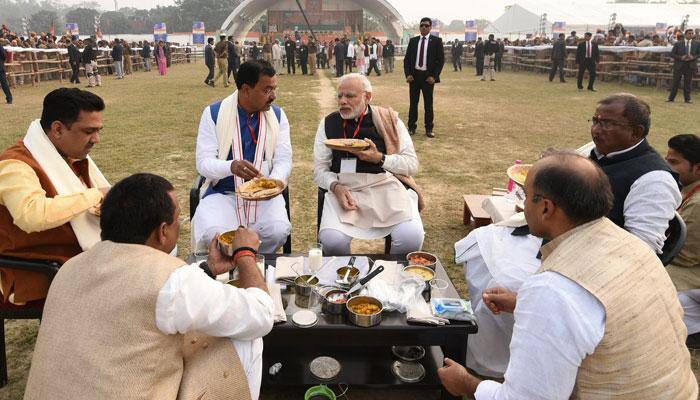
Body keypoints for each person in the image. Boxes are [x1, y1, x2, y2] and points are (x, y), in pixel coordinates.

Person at [456, 93, 682, 378]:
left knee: (502, 282)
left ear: (636, 131)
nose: (597, 129)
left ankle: (510, 367)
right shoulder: (591, 151)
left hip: (595, 266)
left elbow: (641, 249)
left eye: (608, 123)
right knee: (482, 246)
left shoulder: (654, 179)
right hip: (558, 240)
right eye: (595, 120)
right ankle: (483, 350)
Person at [440, 152, 697, 399]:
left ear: (546, 208)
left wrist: (466, 382)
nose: (524, 203)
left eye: (527, 196)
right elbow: (601, 319)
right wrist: (522, 304)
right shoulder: (634, 247)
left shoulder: (553, 289)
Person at [24, 173, 273, 400]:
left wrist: (207, 270)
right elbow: (261, 314)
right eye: (178, 220)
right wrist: (245, 254)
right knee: (247, 339)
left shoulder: (69, 267)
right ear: (163, 232)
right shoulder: (171, 280)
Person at [0, 88, 109, 304]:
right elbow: (32, 215)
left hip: (66, 255)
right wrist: (96, 195)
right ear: (57, 129)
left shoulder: (65, 153)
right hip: (36, 267)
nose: (96, 139)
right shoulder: (14, 165)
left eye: (98, 130)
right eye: (88, 131)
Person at [313, 73, 425, 255]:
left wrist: (379, 159)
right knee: (332, 240)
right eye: (339, 96)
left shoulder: (389, 120)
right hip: (345, 190)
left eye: (349, 96)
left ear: (368, 97)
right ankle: (343, 280)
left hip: (385, 186)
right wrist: (335, 187)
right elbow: (319, 170)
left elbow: (411, 164)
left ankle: (394, 278)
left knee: (411, 236)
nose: (342, 101)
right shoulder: (328, 123)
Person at [192, 60, 292, 253]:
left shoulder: (278, 116)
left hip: (264, 197)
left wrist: (271, 183)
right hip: (224, 193)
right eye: (267, 90)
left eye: (274, 89)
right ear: (245, 90)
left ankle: (254, 267)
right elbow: (203, 163)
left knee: (277, 230)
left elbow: (284, 159)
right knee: (215, 232)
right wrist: (230, 167)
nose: (273, 96)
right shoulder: (213, 114)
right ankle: (229, 271)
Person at [664, 134, 700, 347]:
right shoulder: (688, 190)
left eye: (674, 162)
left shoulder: (697, 204)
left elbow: (684, 257)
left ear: (697, 169)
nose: (667, 167)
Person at [404, 17, 444, 138]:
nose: (424, 27)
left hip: (428, 78)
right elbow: (407, 60)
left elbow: (440, 60)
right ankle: (411, 127)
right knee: (413, 103)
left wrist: (434, 76)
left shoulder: (436, 41)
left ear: (430, 27)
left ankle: (429, 128)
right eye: (422, 25)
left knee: (428, 104)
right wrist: (408, 74)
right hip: (414, 77)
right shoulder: (413, 41)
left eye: (426, 25)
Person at [667, 29, 700, 104]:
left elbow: (699, 54)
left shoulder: (697, 44)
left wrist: (693, 57)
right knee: (675, 82)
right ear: (685, 34)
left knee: (688, 83)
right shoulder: (678, 43)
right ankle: (671, 98)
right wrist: (681, 57)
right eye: (689, 33)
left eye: (692, 33)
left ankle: (687, 99)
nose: (691, 35)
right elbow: (672, 54)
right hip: (679, 65)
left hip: (690, 65)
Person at [0, 39, 12, 104]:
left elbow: (4, 55)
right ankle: (9, 98)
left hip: (0, 68)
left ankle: (9, 98)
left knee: (4, 84)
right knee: (4, 83)